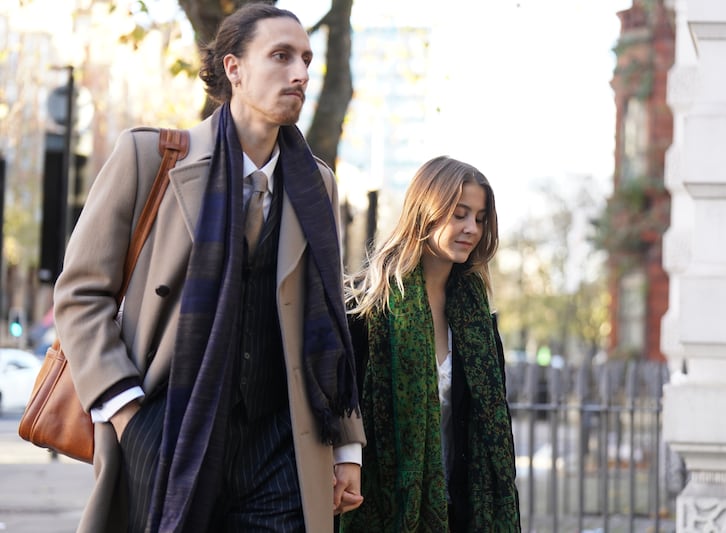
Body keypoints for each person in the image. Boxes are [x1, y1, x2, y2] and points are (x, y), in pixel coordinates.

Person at [52, 4, 364, 532]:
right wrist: (129, 415)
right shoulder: (150, 158)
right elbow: (81, 295)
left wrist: (347, 445)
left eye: (307, 60)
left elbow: (329, 317)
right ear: (233, 68)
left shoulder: (317, 185)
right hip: (169, 429)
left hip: (280, 448)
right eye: (281, 56)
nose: (301, 74)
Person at [339, 156, 520, 532]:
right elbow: (340, 409)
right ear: (426, 212)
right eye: (459, 214)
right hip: (381, 509)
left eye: (480, 218)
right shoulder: (366, 307)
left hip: (462, 513)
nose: (472, 228)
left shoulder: (478, 323)